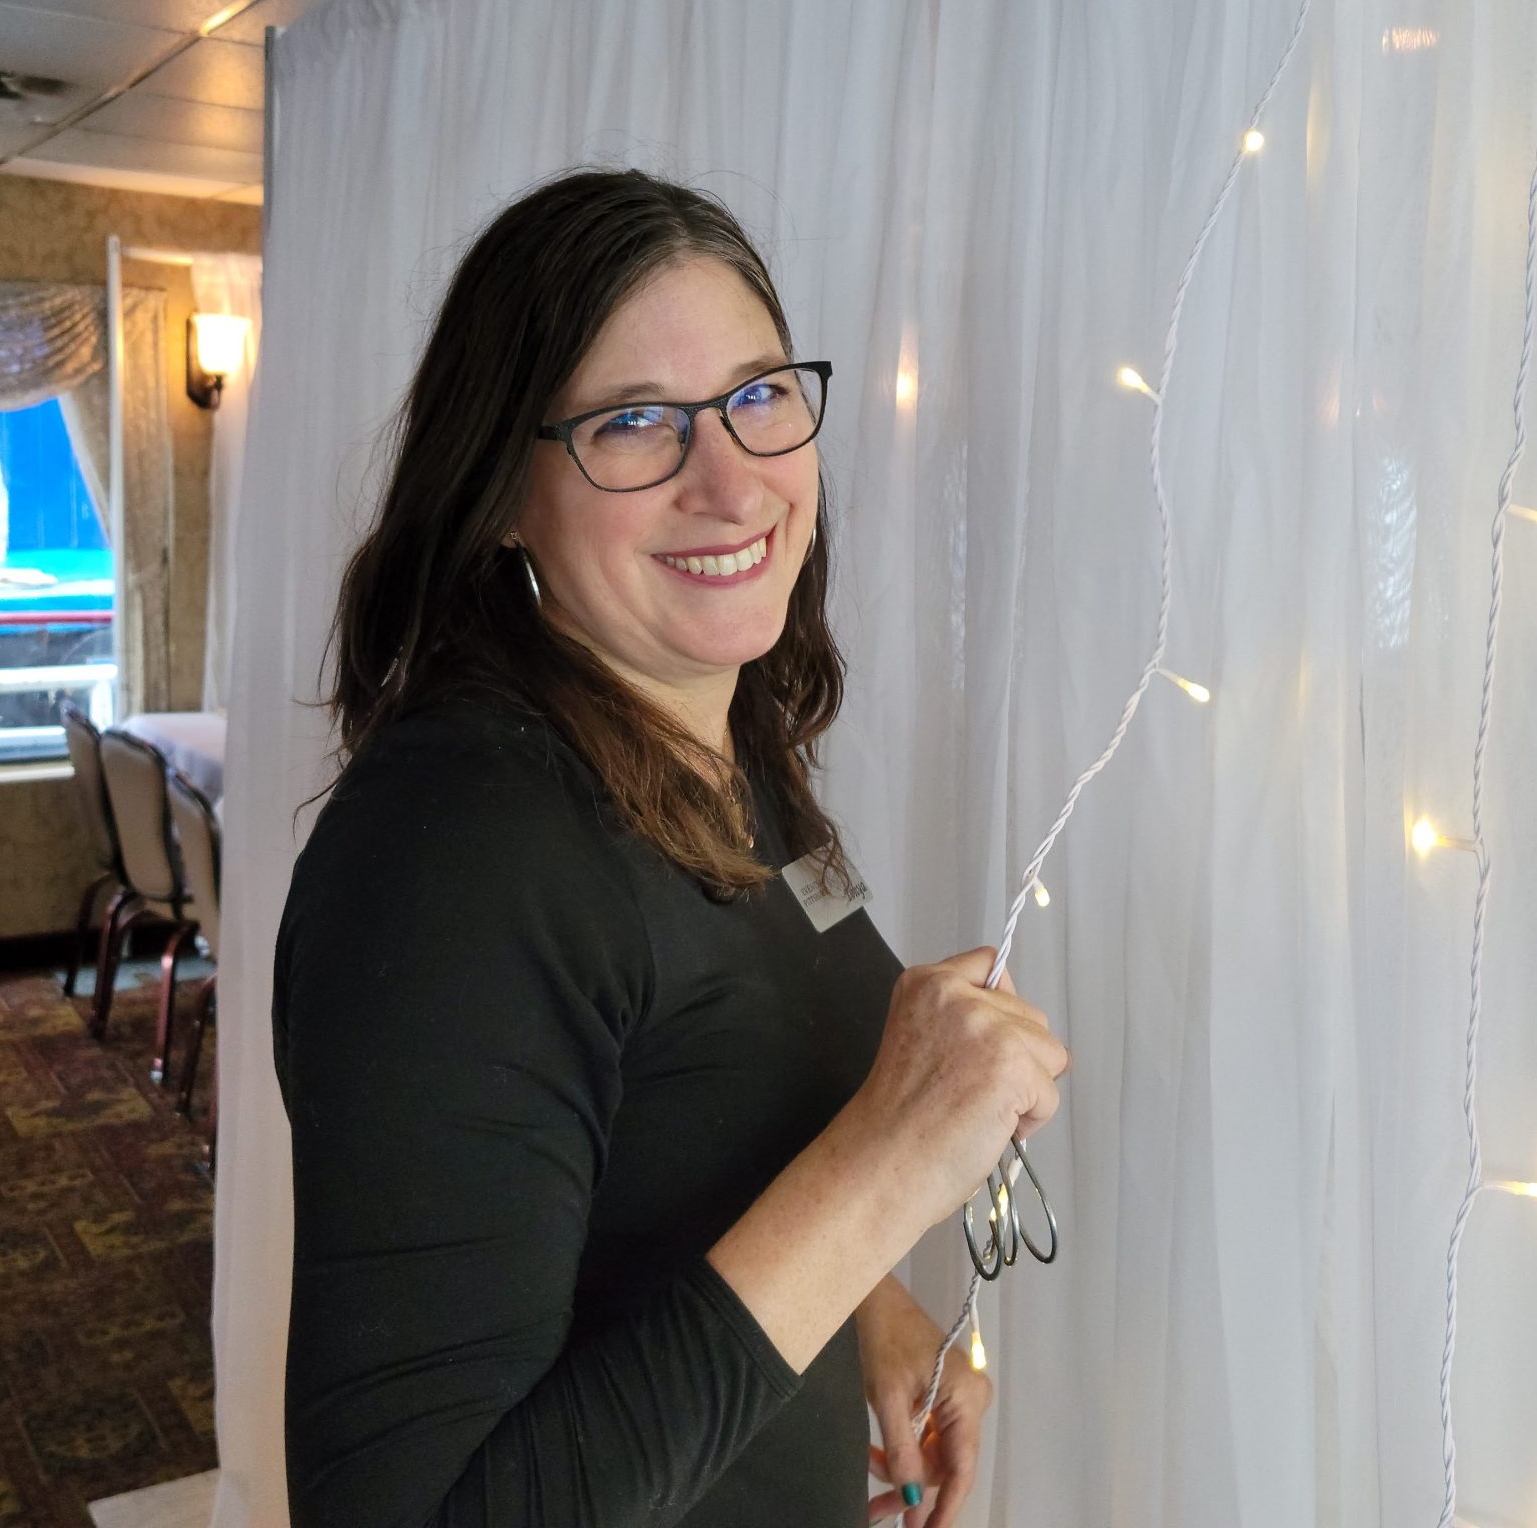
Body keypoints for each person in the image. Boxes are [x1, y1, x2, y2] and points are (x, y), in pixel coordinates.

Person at [276, 170, 1069, 1528]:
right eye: (634, 422)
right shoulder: (452, 857)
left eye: (759, 395)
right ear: (502, 491)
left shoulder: (718, 742)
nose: (733, 479)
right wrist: (883, 1171)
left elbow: (667, 1165)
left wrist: (867, 1306)